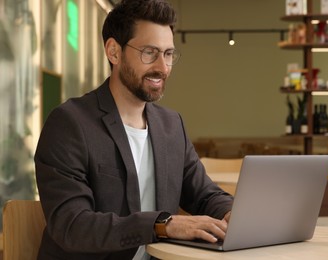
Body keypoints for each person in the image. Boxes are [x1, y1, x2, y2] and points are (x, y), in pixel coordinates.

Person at [34, 0, 233, 259]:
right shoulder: (70, 124)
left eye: (168, 54)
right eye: (149, 52)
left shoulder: (172, 126)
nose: (162, 67)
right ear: (114, 52)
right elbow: (73, 226)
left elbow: (205, 195)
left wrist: (234, 214)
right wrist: (163, 225)